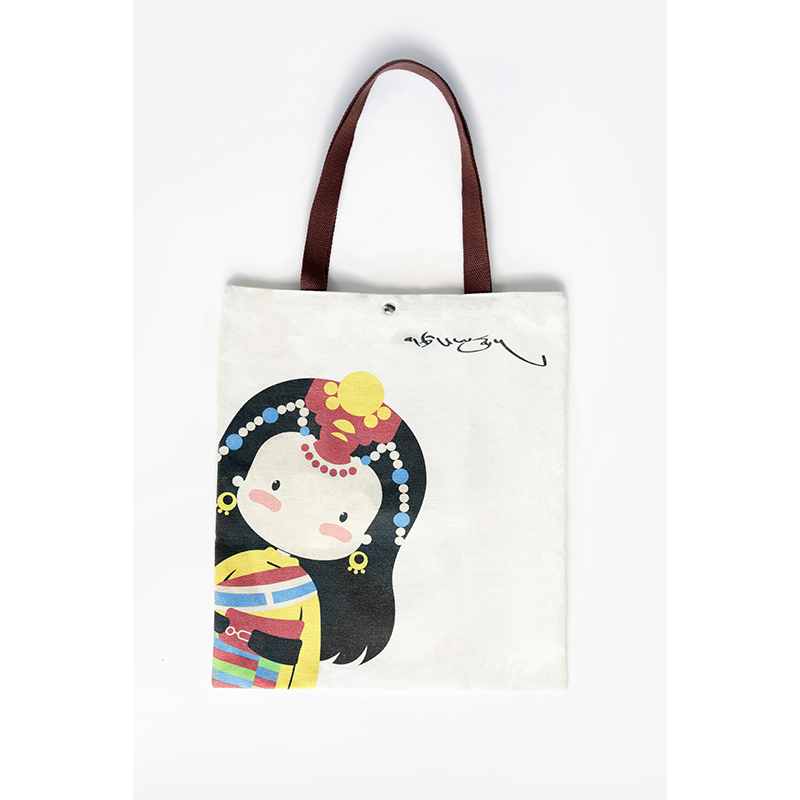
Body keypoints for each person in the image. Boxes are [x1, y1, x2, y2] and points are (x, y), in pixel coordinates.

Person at [212, 372, 426, 688]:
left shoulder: (305, 591)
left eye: (342, 516)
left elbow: (303, 659)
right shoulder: (230, 559)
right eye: (275, 484)